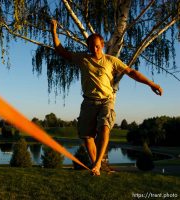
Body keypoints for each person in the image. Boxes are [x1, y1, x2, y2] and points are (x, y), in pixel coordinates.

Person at [50, 20, 162, 176]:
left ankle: (96, 165)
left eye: (97, 46)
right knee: (87, 137)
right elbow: (60, 50)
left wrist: (151, 83)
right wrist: (54, 31)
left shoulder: (110, 60)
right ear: (87, 46)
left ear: (102, 45)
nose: (94, 49)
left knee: (104, 128)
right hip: (88, 102)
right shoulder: (83, 59)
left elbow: (131, 72)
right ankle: (98, 167)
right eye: (91, 46)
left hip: (106, 101)